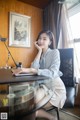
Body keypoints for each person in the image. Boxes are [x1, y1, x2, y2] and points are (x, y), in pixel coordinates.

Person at [13, 30, 66, 120]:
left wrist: (33, 70)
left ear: (50, 42)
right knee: (26, 105)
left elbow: (52, 72)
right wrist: (39, 51)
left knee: (29, 108)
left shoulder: (55, 52)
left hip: (55, 88)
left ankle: (51, 118)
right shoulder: (41, 56)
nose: (41, 41)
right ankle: (51, 117)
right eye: (39, 39)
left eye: (44, 39)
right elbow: (34, 68)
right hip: (44, 87)